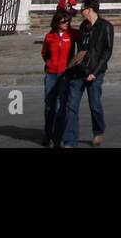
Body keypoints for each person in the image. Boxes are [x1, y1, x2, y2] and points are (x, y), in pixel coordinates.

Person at [61, 0, 113, 147]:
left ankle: (98, 131)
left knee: (94, 104)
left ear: (89, 9)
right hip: (80, 70)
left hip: (95, 71)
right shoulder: (83, 27)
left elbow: (107, 52)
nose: (81, 12)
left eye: (83, 9)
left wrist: (95, 72)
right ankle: (70, 140)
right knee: (71, 105)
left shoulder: (106, 27)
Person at [40, 10, 75, 147]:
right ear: (57, 22)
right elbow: (44, 53)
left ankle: (57, 136)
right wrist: (50, 63)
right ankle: (47, 133)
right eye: (63, 21)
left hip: (64, 74)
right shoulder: (50, 36)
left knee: (61, 106)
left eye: (68, 21)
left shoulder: (71, 35)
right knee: (50, 106)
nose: (66, 24)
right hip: (51, 74)